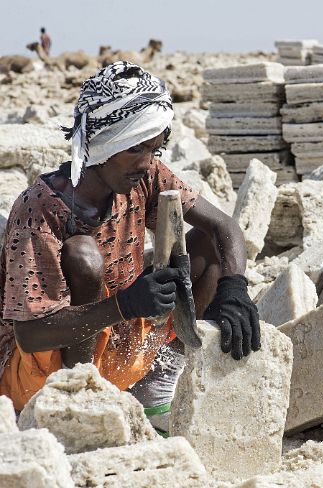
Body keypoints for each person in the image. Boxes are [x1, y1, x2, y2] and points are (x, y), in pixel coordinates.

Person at [0, 62, 260, 430]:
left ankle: (158, 379)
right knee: (84, 257)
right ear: (104, 142)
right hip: (44, 375)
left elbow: (223, 226)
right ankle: (83, 402)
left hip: (122, 349)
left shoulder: (146, 176)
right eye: (136, 148)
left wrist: (235, 289)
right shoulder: (39, 211)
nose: (146, 161)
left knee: (207, 243)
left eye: (155, 148)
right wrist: (124, 305)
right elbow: (30, 333)